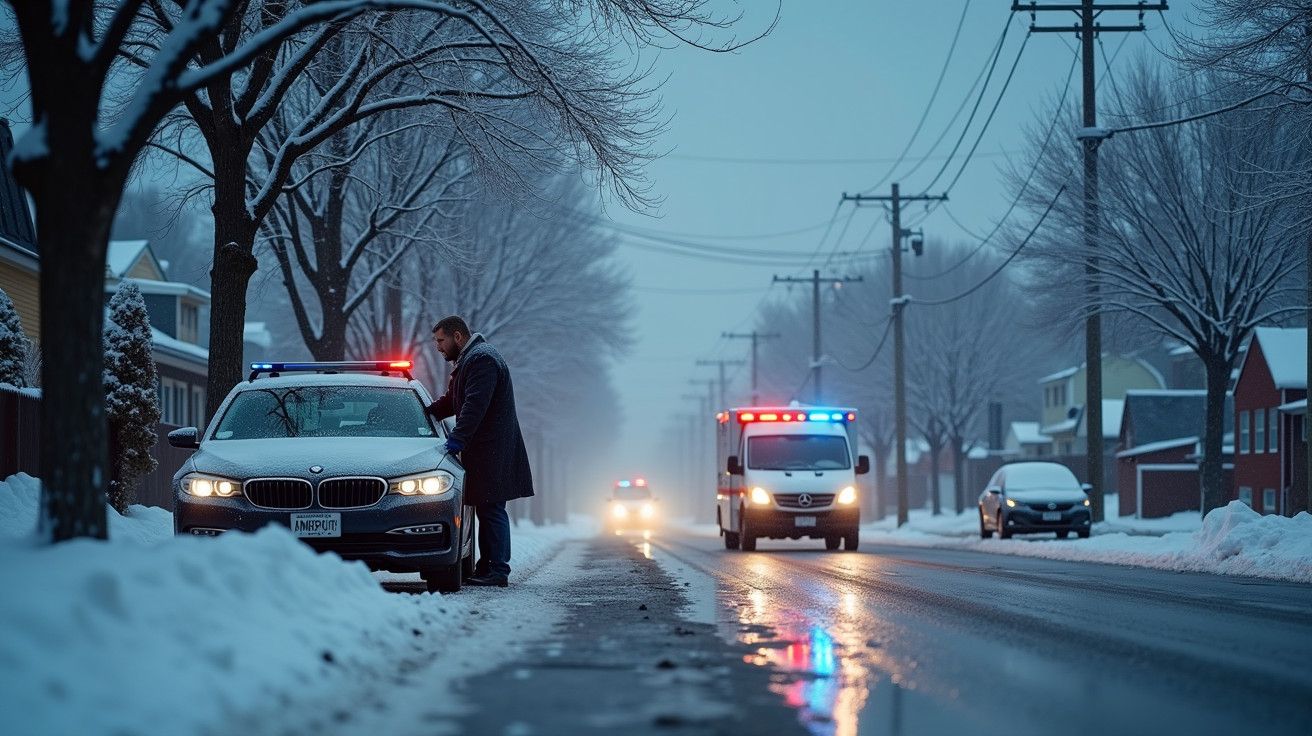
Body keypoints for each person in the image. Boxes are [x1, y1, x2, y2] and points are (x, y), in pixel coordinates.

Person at [426, 316, 534, 587]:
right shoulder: (472, 359)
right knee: (487, 508)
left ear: (458, 337)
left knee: (492, 508)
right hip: (489, 450)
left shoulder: (482, 360)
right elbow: (454, 400)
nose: (438, 347)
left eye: (441, 340)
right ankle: (488, 565)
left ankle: (498, 569)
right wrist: (426, 413)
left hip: (492, 450)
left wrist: (458, 439)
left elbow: (475, 404)